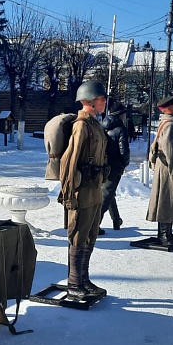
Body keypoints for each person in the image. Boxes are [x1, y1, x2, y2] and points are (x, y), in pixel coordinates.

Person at [58, 80, 108, 298]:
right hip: (82, 189)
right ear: (89, 101)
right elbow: (69, 161)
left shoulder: (95, 123)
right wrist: (68, 194)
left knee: (91, 234)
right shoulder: (81, 125)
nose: (104, 101)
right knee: (78, 235)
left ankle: (84, 280)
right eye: (100, 98)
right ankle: (74, 283)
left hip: (95, 187)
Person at [146, 95, 173, 246]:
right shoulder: (170, 125)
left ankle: (168, 233)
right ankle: (164, 235)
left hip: (171, 165)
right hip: (168, 167)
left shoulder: (172, 122)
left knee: (171, 200)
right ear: (168, 108)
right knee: (166, 199)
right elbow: (169, 149)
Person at [99, 102, 130, 234]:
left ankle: (116, 219)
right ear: (121, 114)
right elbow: (124, 151)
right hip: (115, 166)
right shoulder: (120, 128)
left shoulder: (102, 126)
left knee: (108, 192)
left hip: (103, 165)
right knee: (106, 196)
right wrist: (124, 163)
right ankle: (94, 225)